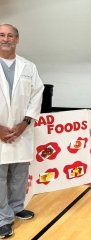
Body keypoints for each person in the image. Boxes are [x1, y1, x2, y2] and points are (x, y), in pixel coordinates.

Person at [0, 24, 44, 238]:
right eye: (1, 35)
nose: (5, 39)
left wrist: (24, 123)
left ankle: (17, 207)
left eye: (10, 36)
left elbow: (37, 95)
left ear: (17, 40)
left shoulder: (29, 67)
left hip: (21, 131)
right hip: (0, 132)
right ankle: (2, 218)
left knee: (19, 173)